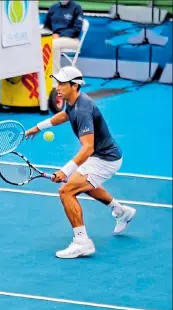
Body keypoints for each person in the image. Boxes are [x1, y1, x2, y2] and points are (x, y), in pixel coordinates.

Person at [25, 66, 136, 259]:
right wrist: (38, 127)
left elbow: (87, 148)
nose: (57, 87)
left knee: (67, 191)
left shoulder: (83, 109)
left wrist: (65, 171)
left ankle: (82, 242)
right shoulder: (73, 101)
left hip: (105, 159)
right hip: (100, 155)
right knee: (81, 184)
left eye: (61, 83)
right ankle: (121, 212)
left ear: (74, 86)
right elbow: (65, 115)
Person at [44, 0, 84, 77]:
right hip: (54, 38)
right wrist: (50, 35)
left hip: (72, 40)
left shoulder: (76, 8)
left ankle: (55, 79)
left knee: (53, 44)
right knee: (43, 43)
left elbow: (76, 30)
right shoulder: (53, 8)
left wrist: (59, 35)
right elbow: (47, 27)